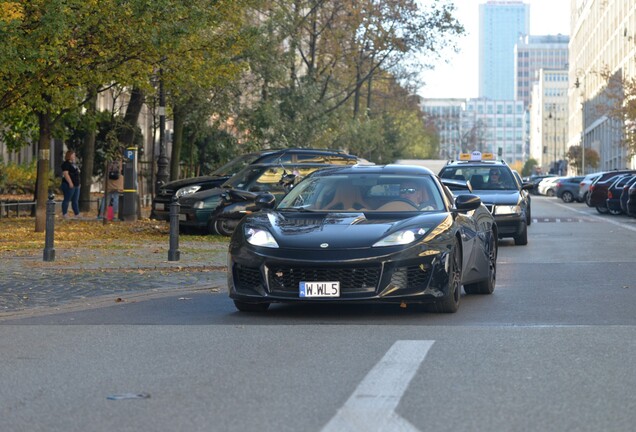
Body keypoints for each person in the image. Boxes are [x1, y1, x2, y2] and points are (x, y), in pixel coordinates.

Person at [61, 150, 81, 218]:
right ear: (69, 156)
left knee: (75, 200)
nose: (74, 156)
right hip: (69, 184)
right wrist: (70, 182)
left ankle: (77, 213)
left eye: (74, 155)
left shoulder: (74, 164)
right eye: (73, 155)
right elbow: (66, 174)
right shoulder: (66, 164)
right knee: (67, 199)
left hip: (76, 184)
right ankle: (64, 213)